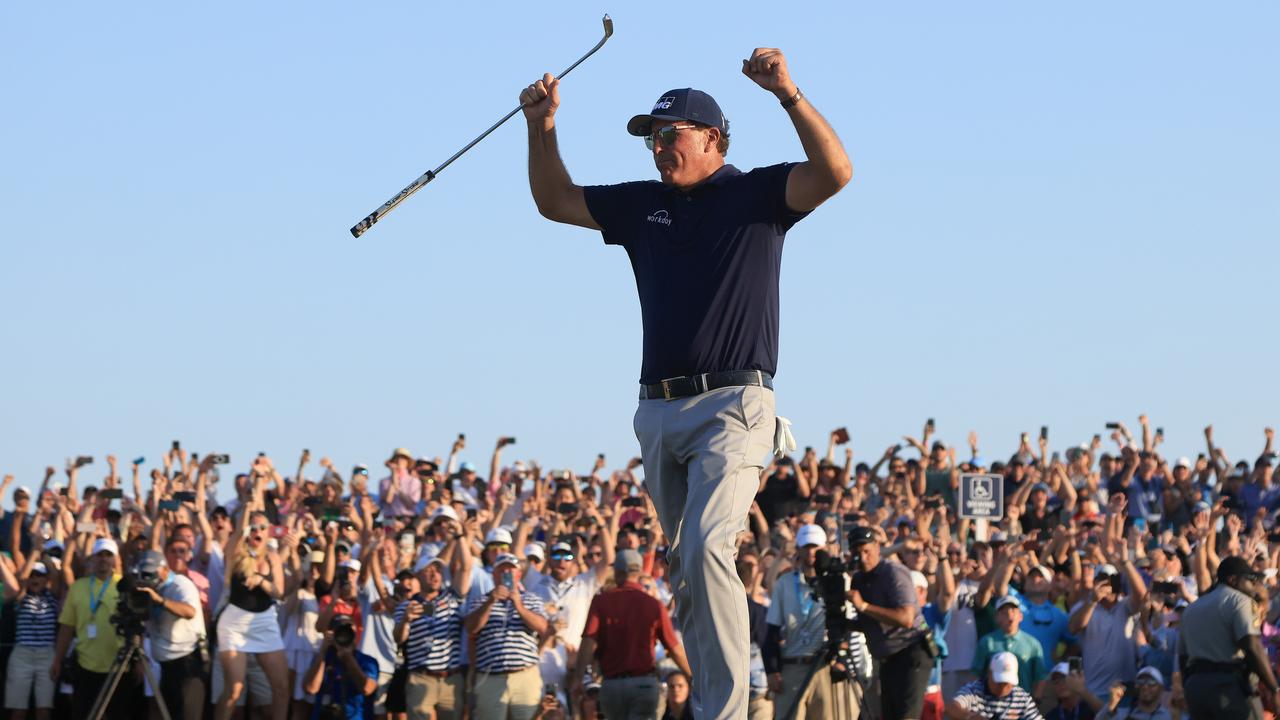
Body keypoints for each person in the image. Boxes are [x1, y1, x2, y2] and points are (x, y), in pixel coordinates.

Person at [521, 43, 852, 719]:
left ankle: (725, 710)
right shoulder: (643, 204)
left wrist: (787, 92)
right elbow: (554, 200)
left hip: (734, 403)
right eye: (651, 137)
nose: (659, 146)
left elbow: (836, 171)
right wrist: (542, 126)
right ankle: (713, 700)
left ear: (713, 139)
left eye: (670, 134)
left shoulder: (757, 192)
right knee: (689, 572)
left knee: (706, 549)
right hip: (658, 412)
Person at [574, 548, 691, 719]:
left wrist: (578, 678)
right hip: (643, 685)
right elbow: (673, 647)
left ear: (618, 571)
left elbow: (588, 643)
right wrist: (692, 676)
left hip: (612, 685)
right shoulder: (653, 604)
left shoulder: (601, 602)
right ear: (639, 571)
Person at [214, 468, 290, 720]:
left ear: (268, 531)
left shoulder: (272, 556)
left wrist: (261, 581)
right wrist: (246, 511)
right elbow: (236, 536)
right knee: (235, 689)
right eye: (253, 528)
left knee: (281, 688)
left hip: (264, 620)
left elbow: (279, 592)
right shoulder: (237, 552)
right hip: (235, 622)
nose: (257, 532)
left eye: (262, 527)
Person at [1178, 555, 1280, 720]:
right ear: (1233, 580)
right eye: (1250, 580)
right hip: (1227, 687)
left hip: (1195, 688)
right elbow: (1251, 645)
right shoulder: (1240, 600)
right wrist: (1274, 688)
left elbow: (1183, 658)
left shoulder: (1191, 609)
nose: (1254, 586)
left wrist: (1190, 688)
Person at [847, 526, 930, 720]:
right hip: (886, 657)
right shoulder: (858, 579)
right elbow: (871, 623)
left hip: (910, 651)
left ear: (877, 547)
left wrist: (864, 606)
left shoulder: (893, 572)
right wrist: (844, 623)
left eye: (867, 551)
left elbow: (906, 618)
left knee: (905, 717)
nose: (863, 558)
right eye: (857, 553)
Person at [764, 524, 842, 720]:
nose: (811, 552)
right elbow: (771, 630)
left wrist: (841, 658)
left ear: (824, 548)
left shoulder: (837, 581)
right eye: (806, 547)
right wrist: (772, 669)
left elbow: (846, 625)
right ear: (798, 549)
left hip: (825, 666)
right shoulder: (785, 583)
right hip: (792, 666)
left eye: (815, 547)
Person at [463, 553, 549, 720]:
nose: (507, 574)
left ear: (518, 575)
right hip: (491, 677)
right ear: (494, 575)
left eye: (511, 570)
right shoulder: (481, 601)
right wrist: (490, 602)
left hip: (524, 676)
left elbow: (543, 627)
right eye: (502, 571)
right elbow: (471, 628)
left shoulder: (531, 599)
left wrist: (519, 605)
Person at [52, 537, 129, 720]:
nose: (103, 559)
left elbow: (136, 623)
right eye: (99, 555)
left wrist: (141, 661)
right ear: (92, 559)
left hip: (119, 666)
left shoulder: (125, 586)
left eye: (108, 555)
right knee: (85, 714)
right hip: (86, 666)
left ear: (114, 559)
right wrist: (57, 660)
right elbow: (67, 627)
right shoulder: (78, 587)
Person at [135, 548, 207, 720]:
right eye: (144, 574)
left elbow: (190, 611)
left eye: (152, 574)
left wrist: (160, 600)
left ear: (166, 570)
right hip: (166, 666)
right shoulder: (150, 589)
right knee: (169, 713)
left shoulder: (180, 584)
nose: (148, 579)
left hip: (188, 662)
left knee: (188, 715)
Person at [395, 560, 467, 720]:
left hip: (451, 678)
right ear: (418, 576)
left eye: (438, 570)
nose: (434, 575)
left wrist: (460, 537)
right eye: (428, 570)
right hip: (421, 677)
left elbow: (465, 567)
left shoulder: (454, 599)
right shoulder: (406, 606)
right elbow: (399, 638)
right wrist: (406, 620)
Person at [2, 555, 62, 720]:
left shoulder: (52, 597)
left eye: (39, 575)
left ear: (46, 579)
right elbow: (21, 580)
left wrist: (44, 555)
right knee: (18, 711)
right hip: (22, 655)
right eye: (33, 575)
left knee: (43, 710)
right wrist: (34, 553)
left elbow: (56, 577)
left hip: (47, 655)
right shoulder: (21, 597)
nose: (35, 578)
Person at [303, 615, 379, 720]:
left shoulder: (367, 661)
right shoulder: (323, 658)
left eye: (348, 631)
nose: (344, 635)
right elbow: (311, 688)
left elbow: (367, 689)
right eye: (340, 631)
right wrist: (323, 651)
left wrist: (348, 658)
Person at [970, 596, 1048, 695]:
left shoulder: (1032, 643)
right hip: (991, 701)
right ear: (996, 617)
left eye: (1013, 611)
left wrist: (1036, 699)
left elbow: (1040, 676)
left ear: (1020, 616)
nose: (1009, 615)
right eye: (1003, 612)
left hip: (1022, 702)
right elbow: (975, 673)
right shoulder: (987, 642)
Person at [945, 652, 1044, 720]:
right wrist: (972, 717)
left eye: (1007, 683)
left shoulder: (1021, 697)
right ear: (989, 673)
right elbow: (951, 707)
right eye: (999, 682)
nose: (1003, 687)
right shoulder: (973, 691)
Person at [1097, 667, 1171, 720]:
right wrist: (1112, 704)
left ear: (1161, 688)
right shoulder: (1124, 714)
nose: (1145, 686)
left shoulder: (1171, 716)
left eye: (1151, 682)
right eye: (1141, 682)